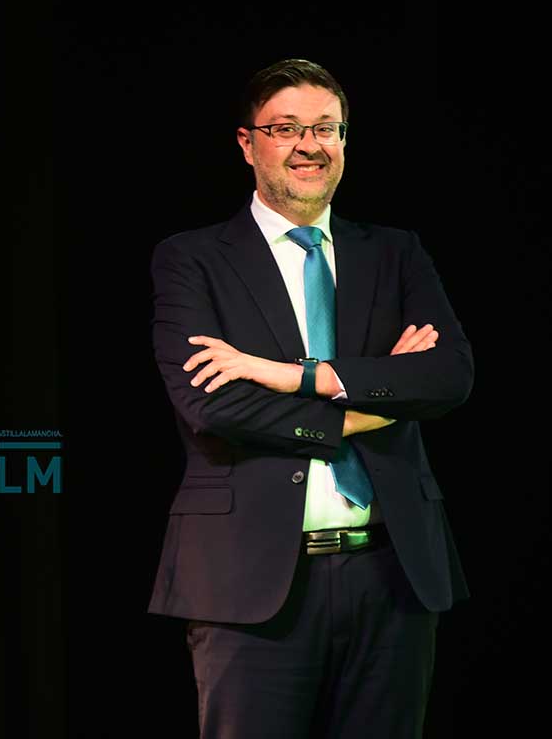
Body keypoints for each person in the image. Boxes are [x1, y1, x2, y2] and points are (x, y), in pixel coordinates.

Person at [148, 59, 472, 738]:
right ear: (247, 144)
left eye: (326, 128)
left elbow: (448, 378)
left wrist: (298, 376)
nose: (308, 145)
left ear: (344, 139)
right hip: (249, 583)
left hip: (393, 576)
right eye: (285, 128)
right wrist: (378, 397)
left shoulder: (395, 253)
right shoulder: (191, 258)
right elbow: (214, 406)